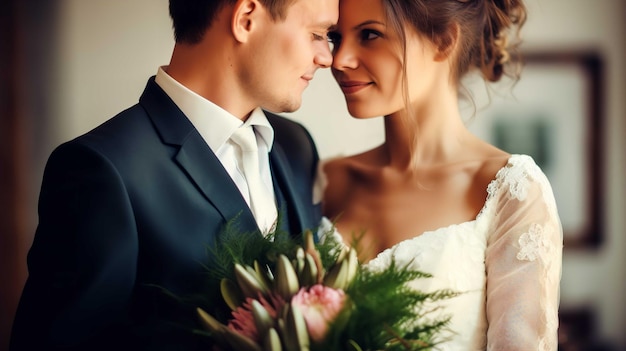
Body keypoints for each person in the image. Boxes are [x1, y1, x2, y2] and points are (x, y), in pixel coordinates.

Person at [10, 0, 338, 350]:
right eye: (317, 34)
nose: (327, 57)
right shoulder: (102, 170)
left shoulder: (297, 146)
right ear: (246, 19)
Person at [321, 0, 563, 349]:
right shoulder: (325, 179)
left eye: (370, 34)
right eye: (334, 37)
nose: (339, 59)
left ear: (444, 41)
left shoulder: (509, 190)